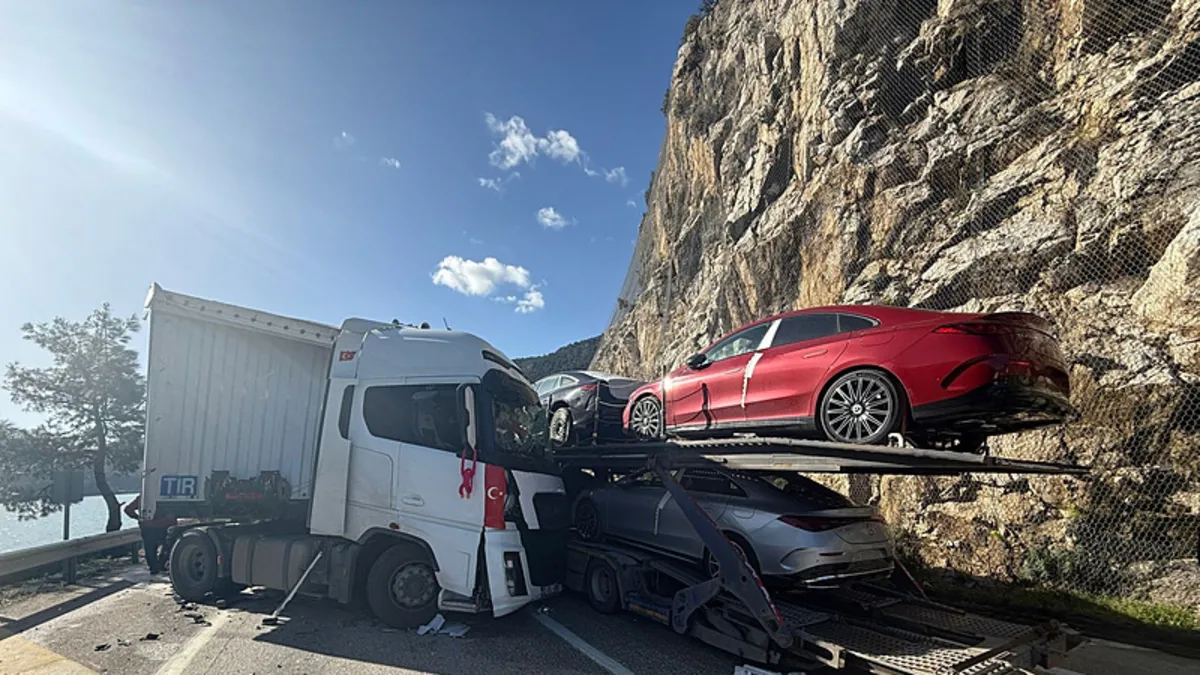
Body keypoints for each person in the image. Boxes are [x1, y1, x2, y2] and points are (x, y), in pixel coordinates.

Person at [123, 495, 178, 575]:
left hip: (148, 526)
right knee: (168, 546)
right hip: (165, 526)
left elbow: (128, 509)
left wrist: (139, 518)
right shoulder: (167, 496)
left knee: (150, 549)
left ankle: (154, 568)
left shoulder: (143, 498)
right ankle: (161, 564)